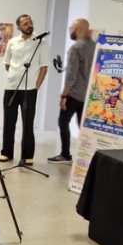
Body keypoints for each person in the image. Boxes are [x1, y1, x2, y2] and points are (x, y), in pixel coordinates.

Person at [0, 13, 47, 166]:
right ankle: (6, 153)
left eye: (31, 22)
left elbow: (44, 68)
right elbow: (7, 64)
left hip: (29, 89)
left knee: (28, 123)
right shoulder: (12, 42)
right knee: (8, 122)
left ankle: (27, 155)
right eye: (26, 23)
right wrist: (15, 76)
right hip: (11, 87)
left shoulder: (41, 42)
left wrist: (36, 87)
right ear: (19, 27)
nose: (29, 25)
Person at [48, 18, 95, 164]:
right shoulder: (96, 46)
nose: (70, 31)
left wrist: (64, 96)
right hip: (89, 95)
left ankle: (65, 155)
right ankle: (89, 156)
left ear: (79, 30)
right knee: (84, 127)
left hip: (74, 94)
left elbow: (71, 76)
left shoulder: (76, 48)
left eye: (72, 28)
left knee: (63, 122)